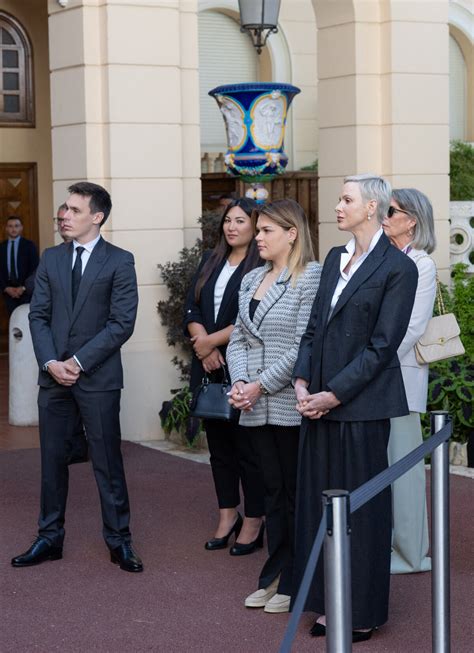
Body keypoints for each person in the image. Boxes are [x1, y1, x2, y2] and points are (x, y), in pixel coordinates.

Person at [292, 174, 418, 642]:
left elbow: (382, 347)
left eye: (347, 199)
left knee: (362, 513)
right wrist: (303, 381)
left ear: (372, 209)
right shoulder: (333, 259)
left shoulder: (398, 269)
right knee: (318, 506)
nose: (338, 205)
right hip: (317, 403)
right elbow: (313, 328)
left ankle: (361, 610)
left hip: (360, 408)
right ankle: (326, 604)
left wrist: (334, 393)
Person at [11, 182, 142, 573]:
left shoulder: (120, 260)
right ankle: (49, 537)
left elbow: (121, 324)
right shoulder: (51, 259)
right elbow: (38, 315)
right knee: (51, 461)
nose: (63, 215)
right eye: (64, 209)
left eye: (73, 209)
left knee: (106, 462)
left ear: (96, 217)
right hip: (53, 379)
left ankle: (119, 541)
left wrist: (78, 362)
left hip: (98, 379)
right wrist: (51, 362)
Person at [227, 199, 321, 614]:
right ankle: (275, 572)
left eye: (266, 231)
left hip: (287, 404)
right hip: (254, 406)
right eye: (258, 230)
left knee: (295, 494)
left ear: (292, 233)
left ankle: (297, 577)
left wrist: (259, 386)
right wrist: (240, 384)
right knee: (271, 492)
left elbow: (304, 344)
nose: (258, 237)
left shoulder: (311, 277)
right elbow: (237, 341)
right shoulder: (251, 280)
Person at [184, 198, 265, 555]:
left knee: (248, 449)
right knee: (219, 449)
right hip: (209, 368)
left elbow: (252, 317)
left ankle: (254, 520)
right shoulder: (210, 259)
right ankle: (227, 515)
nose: (232, 227)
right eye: (228, 221)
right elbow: (191, 305)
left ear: (255, 226)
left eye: (241, 221)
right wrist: (204, 347)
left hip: (244, 367)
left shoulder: (261, 265)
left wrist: (208, 342)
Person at [382, 188, 437, 574]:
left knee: (404, 470)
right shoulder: (381, 258)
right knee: (379, 468)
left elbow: (413, 328)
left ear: (411, 220)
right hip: (374, 378)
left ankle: (412, 554)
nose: (383, 216)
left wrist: (371, 365)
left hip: (399, 379)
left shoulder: (422, 264)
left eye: (390, 210)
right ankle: (384, 544)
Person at [0, 216, 39, 315]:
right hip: (7, 291)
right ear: (6, 228)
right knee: (12, 320)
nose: (13, 229)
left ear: (21, 228)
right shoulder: (1, 247)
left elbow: (35, 268)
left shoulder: (30, 245)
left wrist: (23, 288)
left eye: (16, 226)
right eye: (10, 226)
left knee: (25, 319)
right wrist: (6, 288)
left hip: (26, 291)